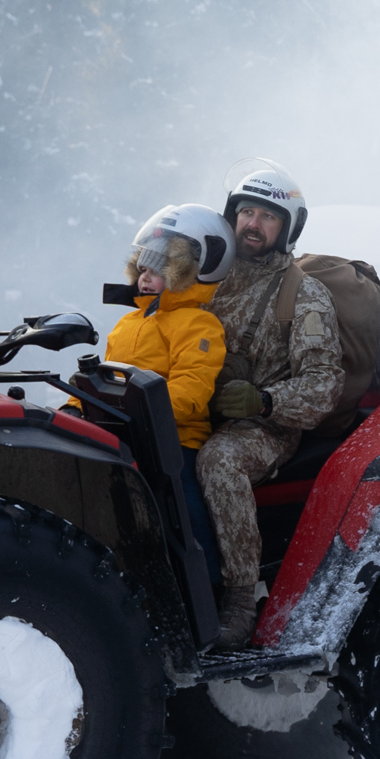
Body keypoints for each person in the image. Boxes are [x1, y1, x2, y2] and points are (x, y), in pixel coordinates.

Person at [197, 158, 357, 646]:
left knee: (220, 460)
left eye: (268, 216)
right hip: (195, 407)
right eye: (247, 212)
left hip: (265, 428)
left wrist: (264, 401)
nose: (253, 224)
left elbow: (324, 384)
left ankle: (240, 598)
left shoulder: (303, 295)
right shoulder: (206, 277)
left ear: (287, 229)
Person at [105, 204, 232, 587]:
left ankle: (208, 586)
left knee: (185, 510)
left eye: (160, 269)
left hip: (175, 441)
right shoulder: (126, 323)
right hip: (126, 433)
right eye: (143, 268)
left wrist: (144, 411)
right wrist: (75, 407)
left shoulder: (199, 323)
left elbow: (192, 386)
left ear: (187, 273)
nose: (146, 277)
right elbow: (104, 378)